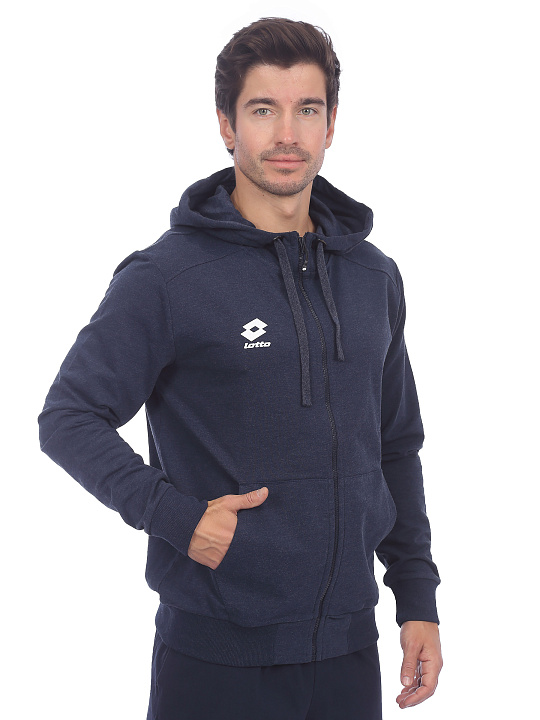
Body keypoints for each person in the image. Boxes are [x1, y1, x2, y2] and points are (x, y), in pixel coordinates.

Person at [38, 17, 442, 719]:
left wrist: (417, 597)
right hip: (215, 661)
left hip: (349, 653)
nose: (287, 134)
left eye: (306, 110)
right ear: (226, 125)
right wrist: (174, 515)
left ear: (331, 124)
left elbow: (395, 444)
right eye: (262, 110)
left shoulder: (373, 276)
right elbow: (68, 417)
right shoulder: (167, 277)